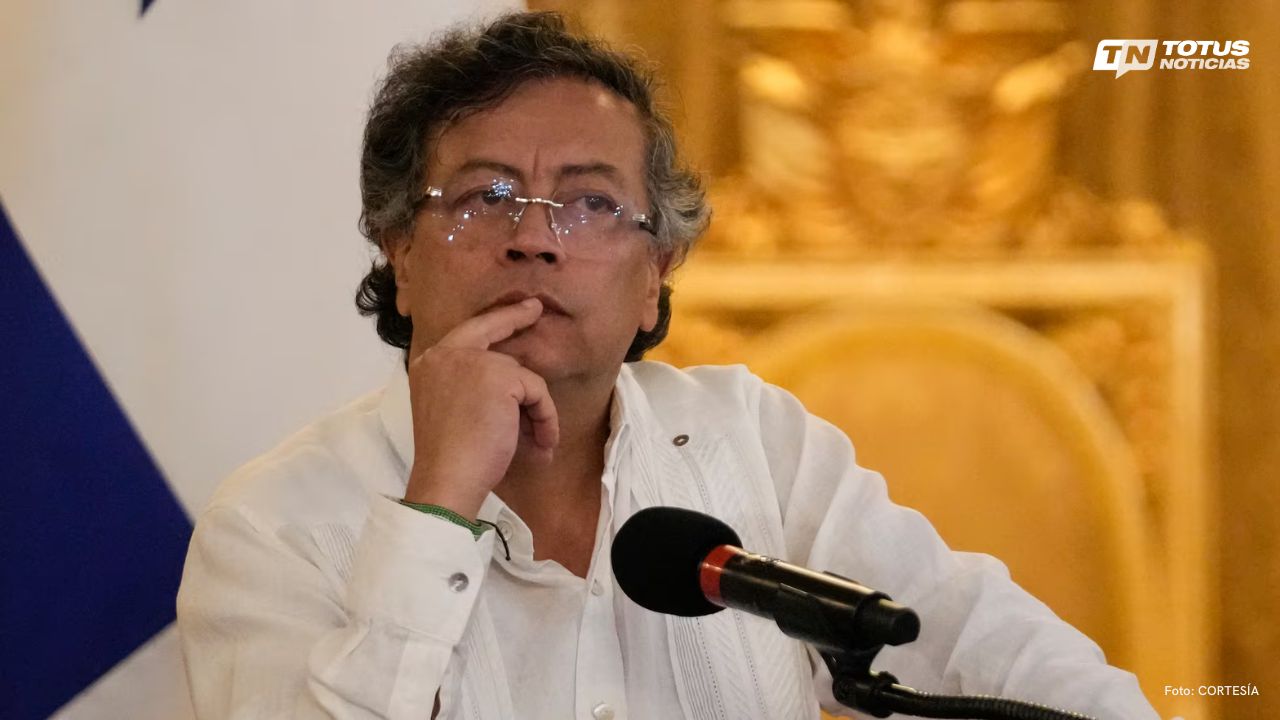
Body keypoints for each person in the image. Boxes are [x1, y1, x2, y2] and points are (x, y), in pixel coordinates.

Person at [176, 11, 1159, 720]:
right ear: (399, 251)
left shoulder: (755, 444)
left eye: (591, 204)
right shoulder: (275, 526)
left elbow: (988, 650)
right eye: (485, 197)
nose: (536, 240)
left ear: (655, 274)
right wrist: (437, 510)